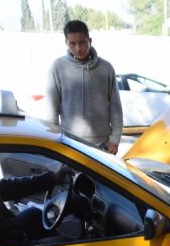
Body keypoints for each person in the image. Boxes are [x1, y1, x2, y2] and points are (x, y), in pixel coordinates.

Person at [46, 20, 123, 155]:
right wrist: (54, 141)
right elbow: (52, 109)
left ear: (90, 40)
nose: (78, 48)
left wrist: (114, 140)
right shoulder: (58, 68)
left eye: (82, 42)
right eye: (72, 43)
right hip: (70, 144)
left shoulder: (106, 68)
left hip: (102, 146)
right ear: (66, 43)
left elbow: (115, 108)